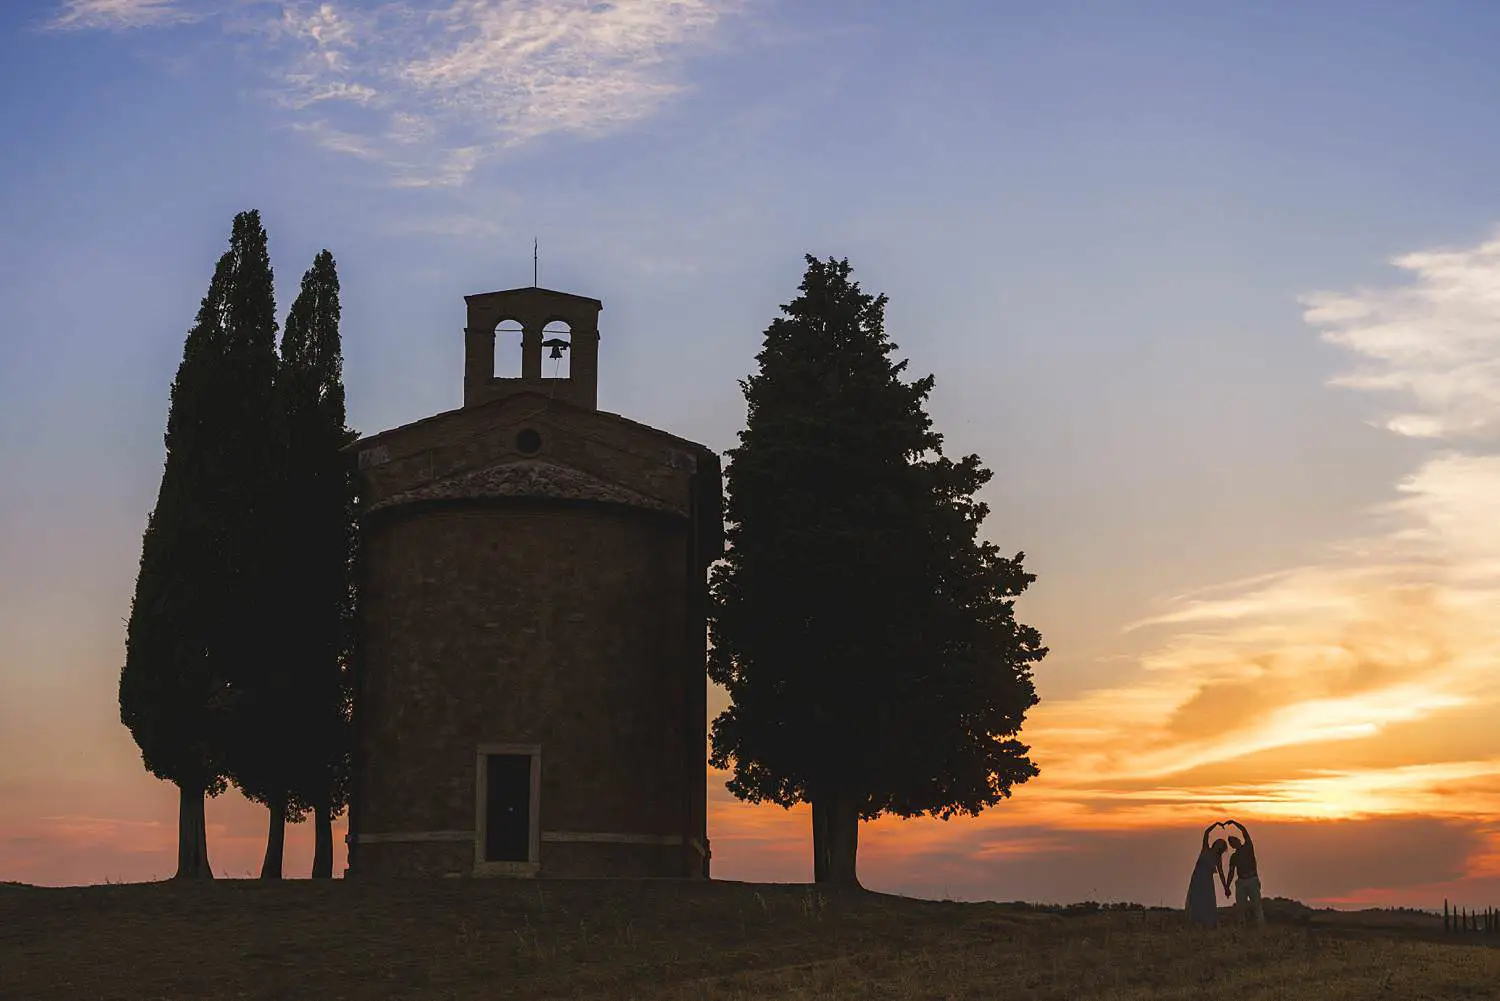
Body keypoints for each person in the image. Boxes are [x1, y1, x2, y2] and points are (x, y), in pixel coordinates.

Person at [1185, 822, 1229, 927]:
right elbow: (1206, 833)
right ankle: (1196, 921)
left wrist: (1226, 887)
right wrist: (1216, 824)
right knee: (1196, 898)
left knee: (1207, 900)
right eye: (1219, 842)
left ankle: (1207, 922)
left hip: (1207, 880)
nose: (1219, 843)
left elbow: (1221, 873)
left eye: (1221, 844)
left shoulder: (1218, 858)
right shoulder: (1206, 848)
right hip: (1198, 877)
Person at [1224, 819, 1264, 925]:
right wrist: (1227, 887)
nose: (1233, 843)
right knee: (1240, 907)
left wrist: (1233, 822)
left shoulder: (1248, 847)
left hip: (1252, 879)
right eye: (1231, 842)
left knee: (1256, 905)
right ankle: (1242, 926)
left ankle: (1260, 926)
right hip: (1241, 882)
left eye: (1234, 840)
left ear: (1239, 840)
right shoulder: (1234, 857)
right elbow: (1231, 873)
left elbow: (1244, 830)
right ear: (1232, 845)